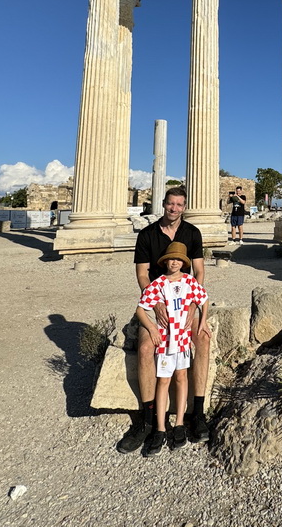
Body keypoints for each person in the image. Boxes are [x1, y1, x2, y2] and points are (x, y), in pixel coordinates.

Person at [116, 186, 212, 454]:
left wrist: (194, 305)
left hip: (185, 301)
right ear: (164, 204)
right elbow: (142, 274)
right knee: (147, 348)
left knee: (202, 339)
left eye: (179, 205)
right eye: (171, 204)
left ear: (184, 206)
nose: (174, 209)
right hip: (156, 302)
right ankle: (148, 422)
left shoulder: (192, 233)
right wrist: (156, 303)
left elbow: (199, 270)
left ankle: (198, 414)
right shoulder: (147, 235)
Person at [136, 241, 208, 456]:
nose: (175, 262)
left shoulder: (190, 282)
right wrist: (151, 328)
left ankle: (179, 424)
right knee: (163, 380)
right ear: (165, 261)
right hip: (166, 341)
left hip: (183, 341)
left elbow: (204, 300)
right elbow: (141, 309)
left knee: (181, 377)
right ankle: (159, 427)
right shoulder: (157, 284)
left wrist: (202, 322)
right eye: (172, 258)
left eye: (179, 259)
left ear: (184, 263)